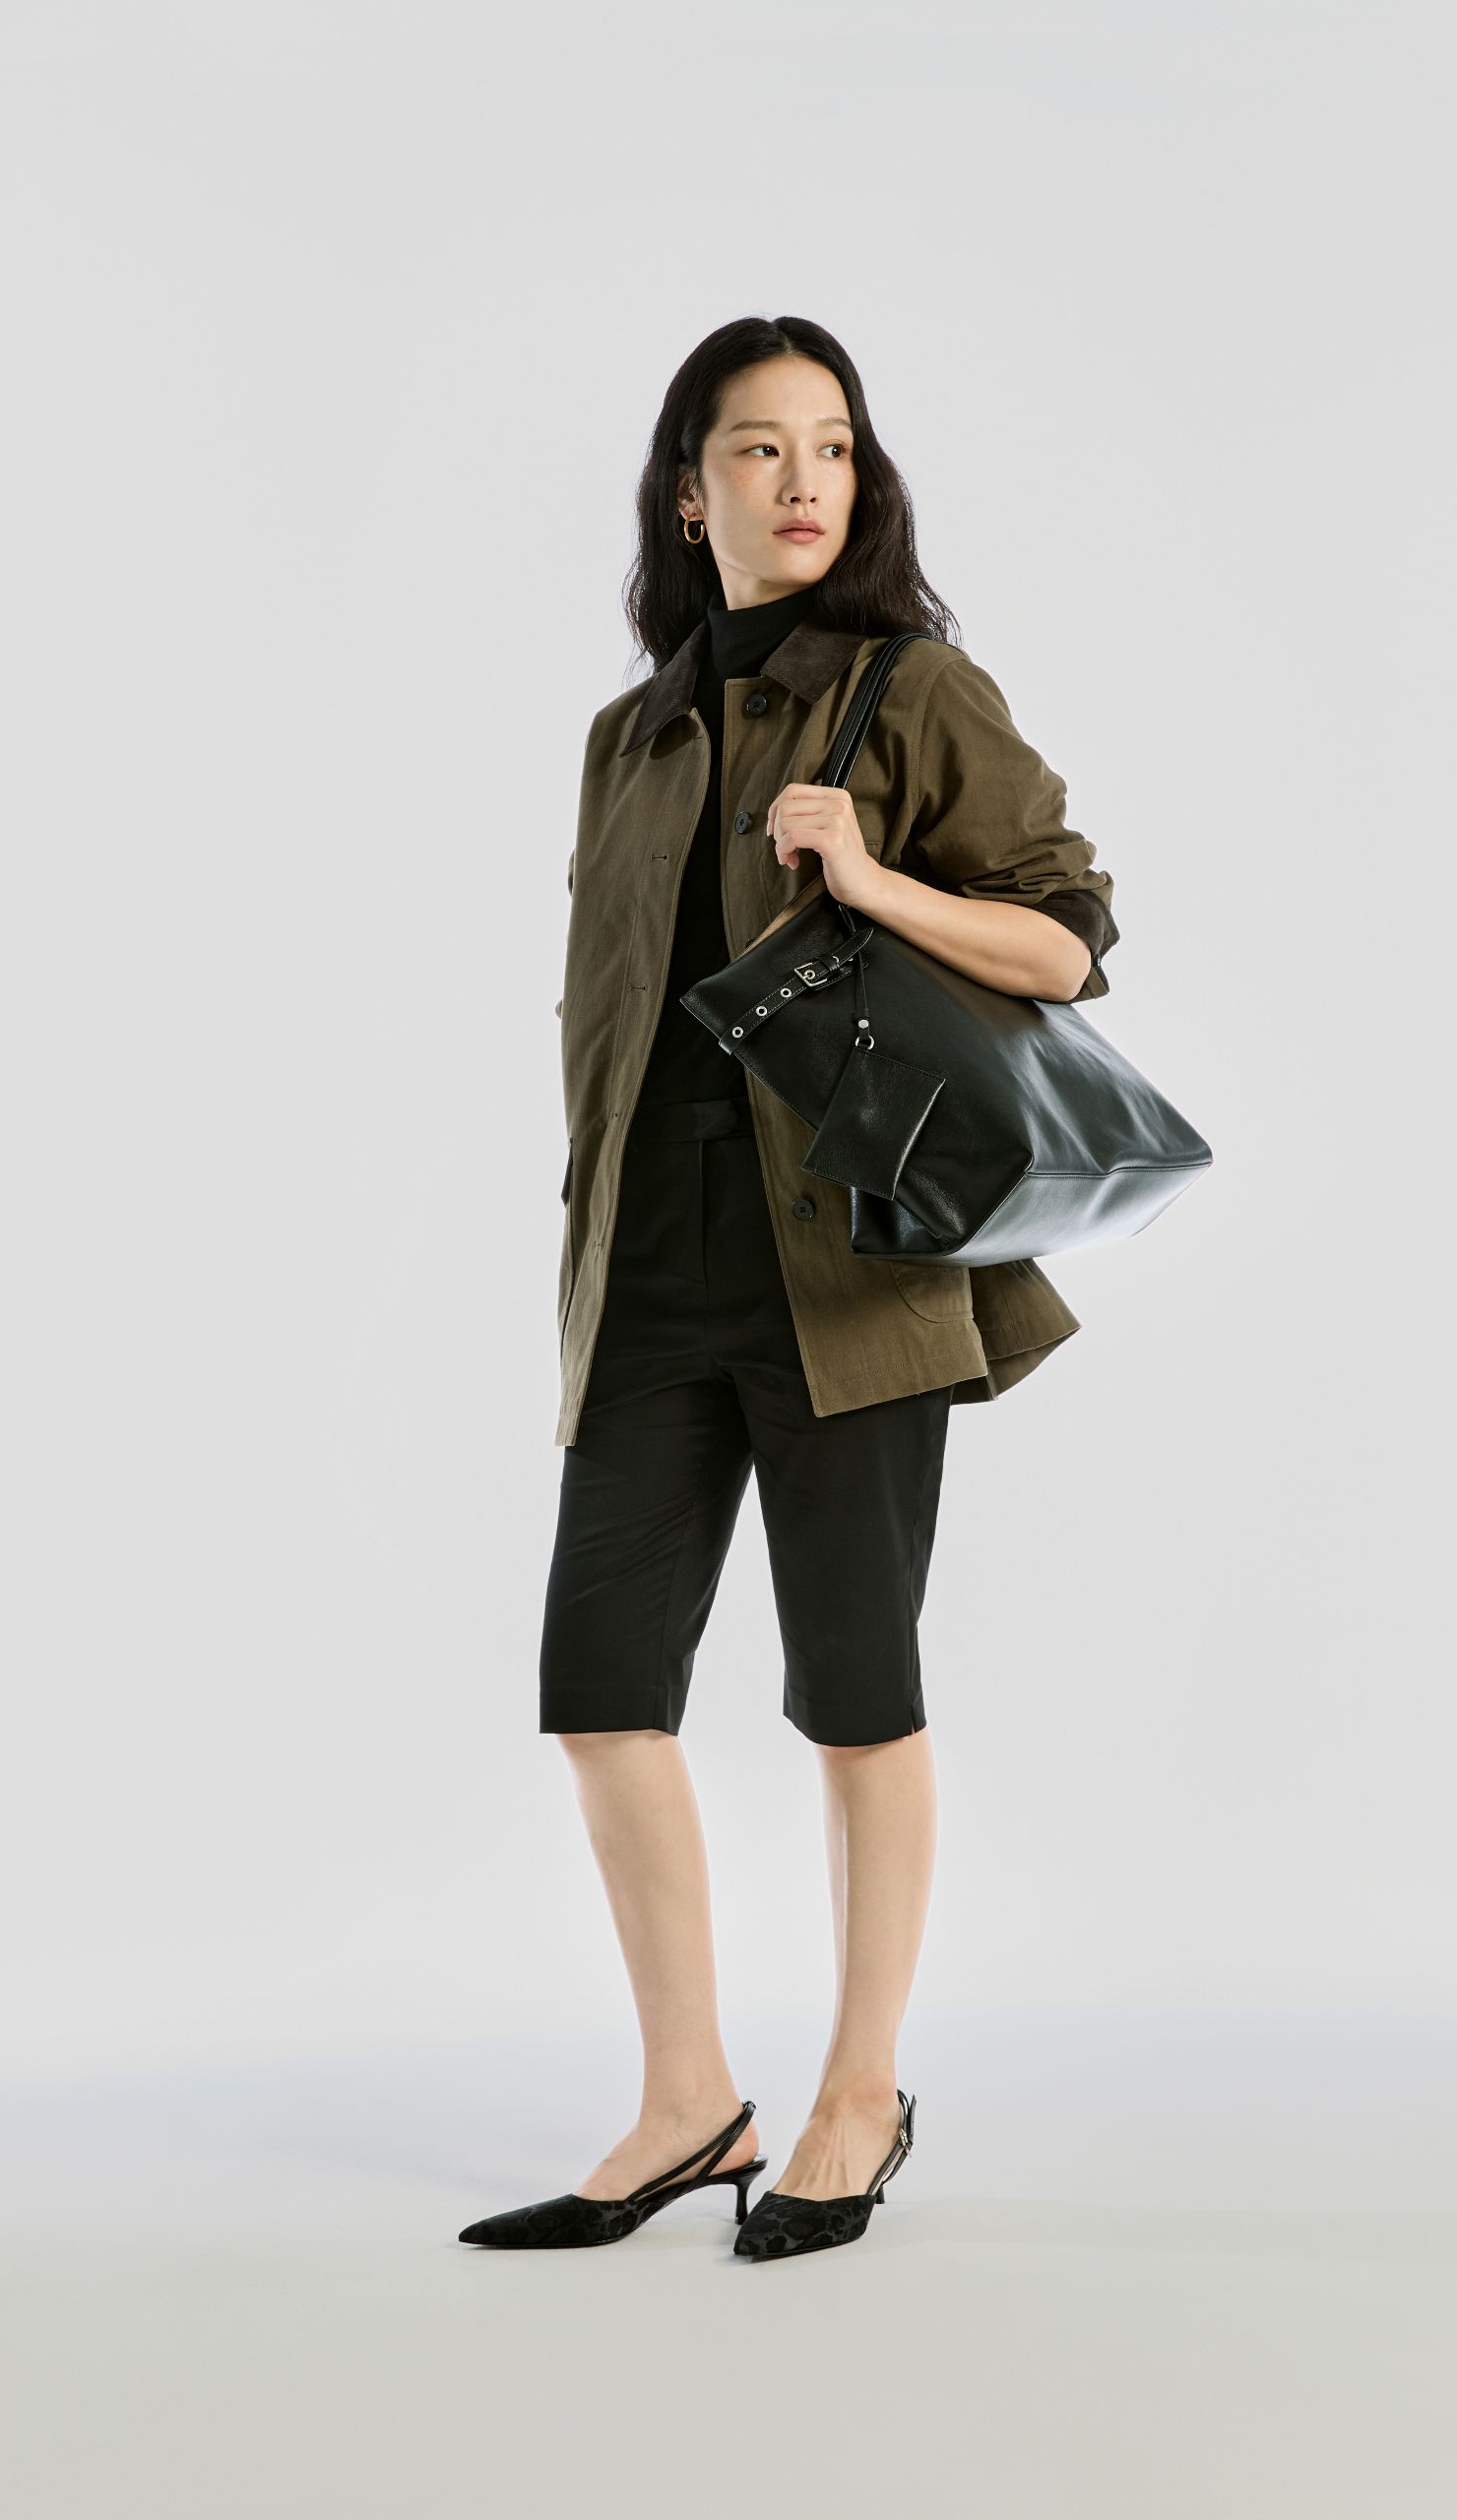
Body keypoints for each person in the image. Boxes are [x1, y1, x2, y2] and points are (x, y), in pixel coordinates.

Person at [458, 315, 1119, 2263]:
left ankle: (857, 2089)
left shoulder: (913, 689)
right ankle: (689, 2101)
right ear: (690, 491)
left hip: (849, 1273)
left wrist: (874, 880)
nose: (802, 479)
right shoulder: (633, 734)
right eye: (757, 447)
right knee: (601, 1693)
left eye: (830, 443)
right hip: (645, 1271)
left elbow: (1067, 945)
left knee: (853, 1696)